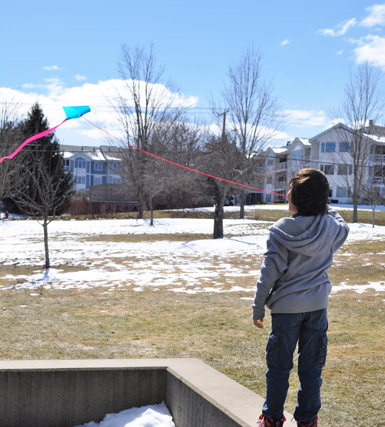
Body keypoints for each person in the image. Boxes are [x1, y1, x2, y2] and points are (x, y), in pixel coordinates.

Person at [253, 168, 349, 427]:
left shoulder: (279, 230)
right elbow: (342, 225)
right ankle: (307, 420)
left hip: (286, 310)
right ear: (321, 200)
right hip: (317, 307)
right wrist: (324, 207)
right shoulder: (330, 227)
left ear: (295, 198)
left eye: (290, 191)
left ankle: (272, 419)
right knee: (311, 369)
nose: (286, 194)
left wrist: (258, 306)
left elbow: (268, 274)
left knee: (278, 368)